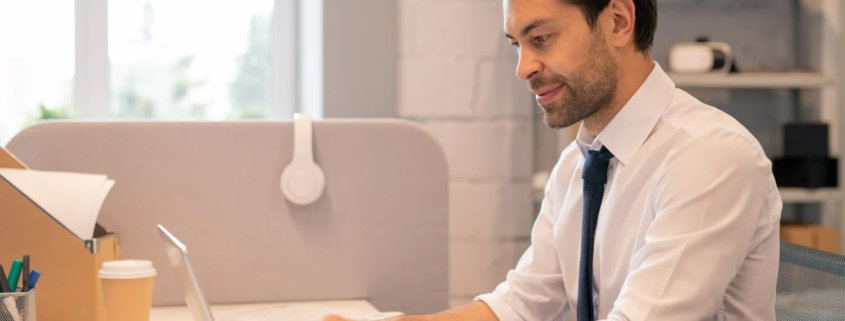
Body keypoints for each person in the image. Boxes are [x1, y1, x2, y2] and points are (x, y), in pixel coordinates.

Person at [325, 0, 781, 320]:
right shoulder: (579, 164)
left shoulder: (709, 157)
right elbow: (521, 305)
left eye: (541, 38)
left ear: (619, 22)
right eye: (516, 45)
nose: (523, 67)